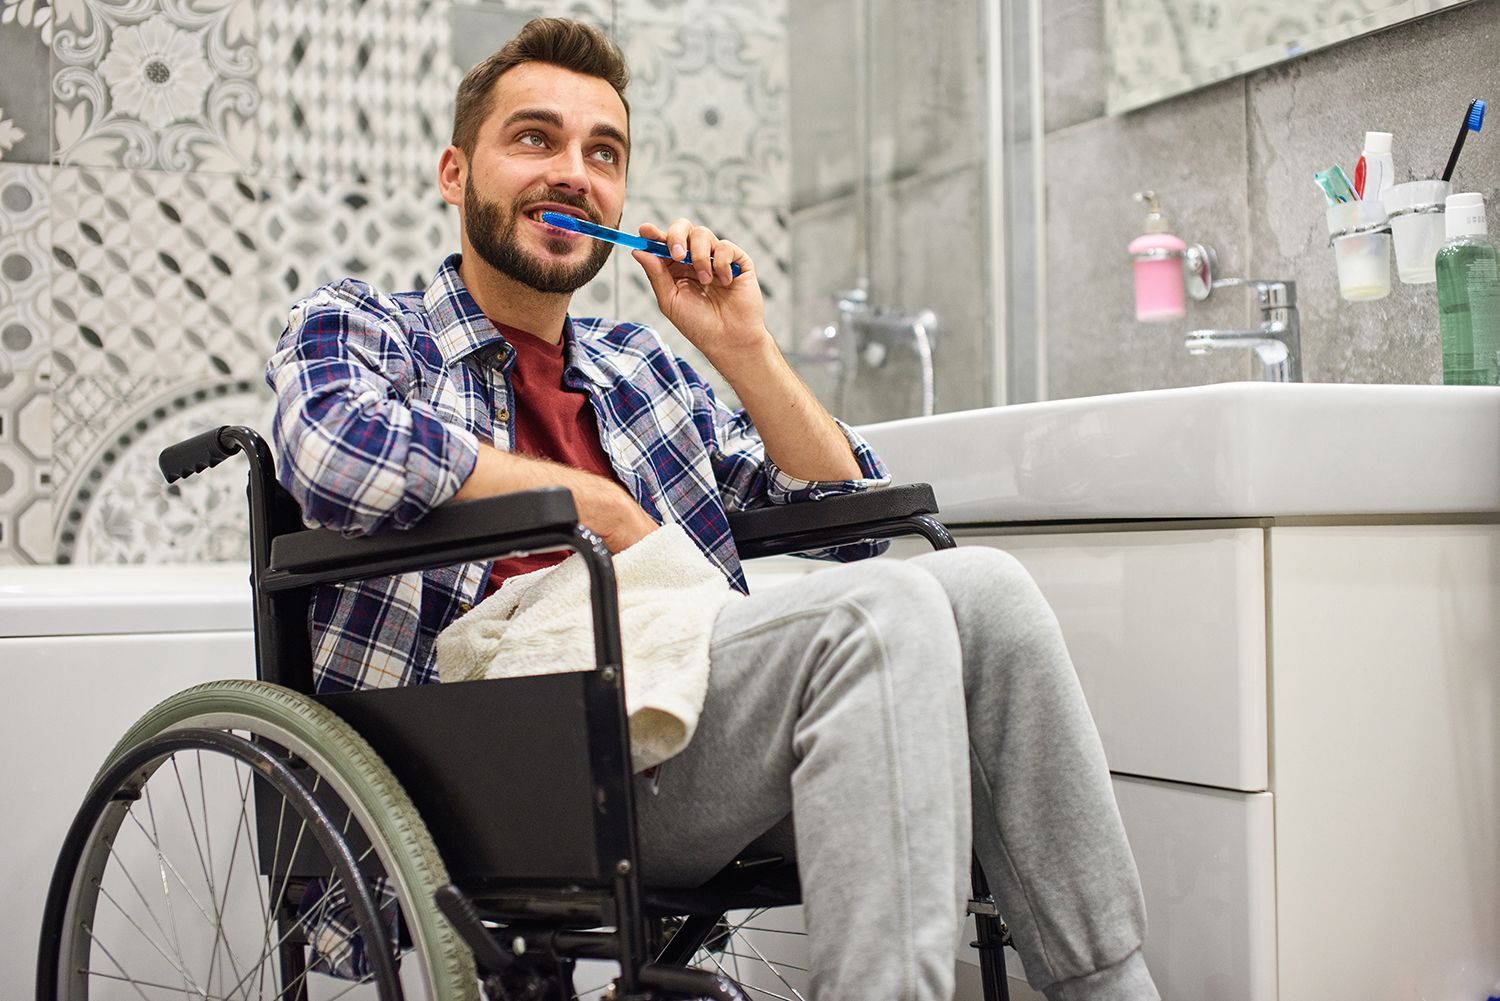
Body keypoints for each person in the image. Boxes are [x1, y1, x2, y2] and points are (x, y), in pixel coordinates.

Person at [265, 17, 1160, 1001]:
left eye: (603, 153)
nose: (574, 171)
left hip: (677, 728)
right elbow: (331, 450)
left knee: (984, 587)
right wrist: (593, 505)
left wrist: (742, 346)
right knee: (884, 610)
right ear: (455, 173)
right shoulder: (367, 327)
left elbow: (853, 518)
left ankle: (1107, 985)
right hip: (492, 770)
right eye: (534, 139)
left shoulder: (639, 367)